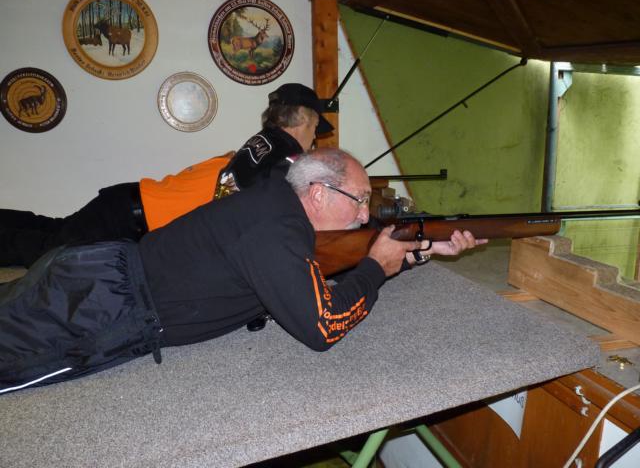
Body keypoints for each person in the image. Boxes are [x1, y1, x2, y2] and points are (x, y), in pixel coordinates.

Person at [0, 149, 486, 394]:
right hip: (99, 307)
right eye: (359, 200)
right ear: (319, 193)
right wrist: (377, 267)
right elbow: (324, 325)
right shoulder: (274, 231)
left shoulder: (278, 203)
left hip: (99, 278)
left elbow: (314, 275)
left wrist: (418, 252)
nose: (365, 214)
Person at [0, 83, 332, 267]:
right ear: (303, 118)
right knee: (45, 252)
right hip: (129, 215)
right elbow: (253, 203)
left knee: (51, 230)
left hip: (126, 205)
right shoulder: (278, 152)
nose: (315, 137)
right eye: (316, 126)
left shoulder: (255, 148)